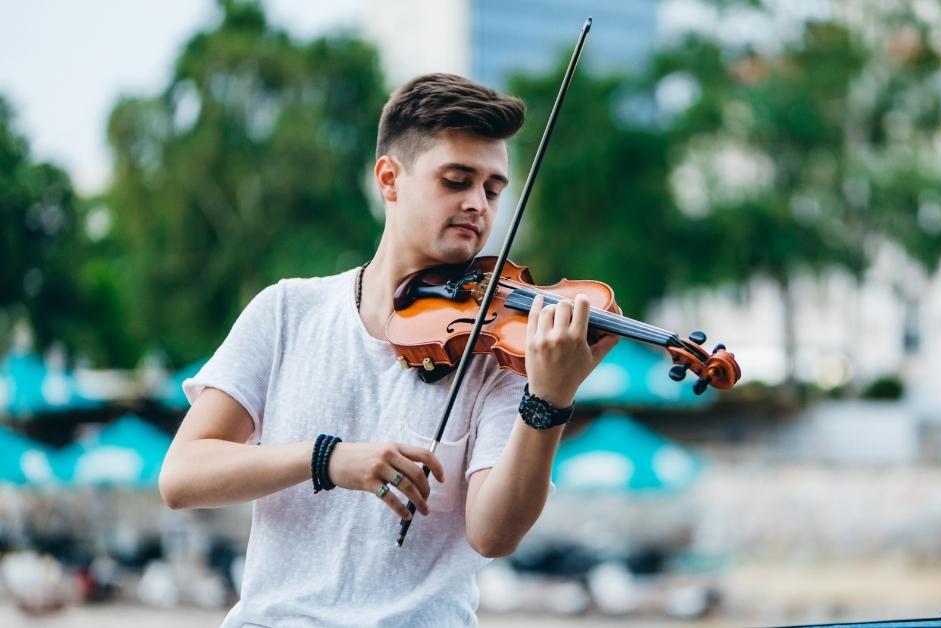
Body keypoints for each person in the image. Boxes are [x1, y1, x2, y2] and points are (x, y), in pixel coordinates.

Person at [159, 73, 617, 627]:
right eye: (457, 181)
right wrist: (329, 459)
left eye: (493, 190)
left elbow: (494, 533)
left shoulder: (499, 347)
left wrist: (550, 398)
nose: (478, 204)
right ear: (389, 179)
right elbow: (182, 475)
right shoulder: (286, 312)